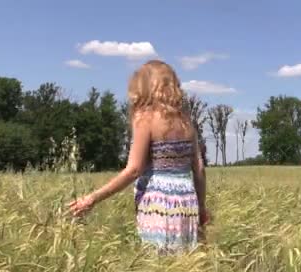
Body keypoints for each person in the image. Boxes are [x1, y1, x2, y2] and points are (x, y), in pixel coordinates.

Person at [68, 60, 208, 254]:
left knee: (157, 268)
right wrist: (201, 207)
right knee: (184, 262)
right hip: (187, 200)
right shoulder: (185, 121)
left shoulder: (145, 118)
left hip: (158, 203)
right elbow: (199, 169)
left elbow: (134, 169)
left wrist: (92, 198)